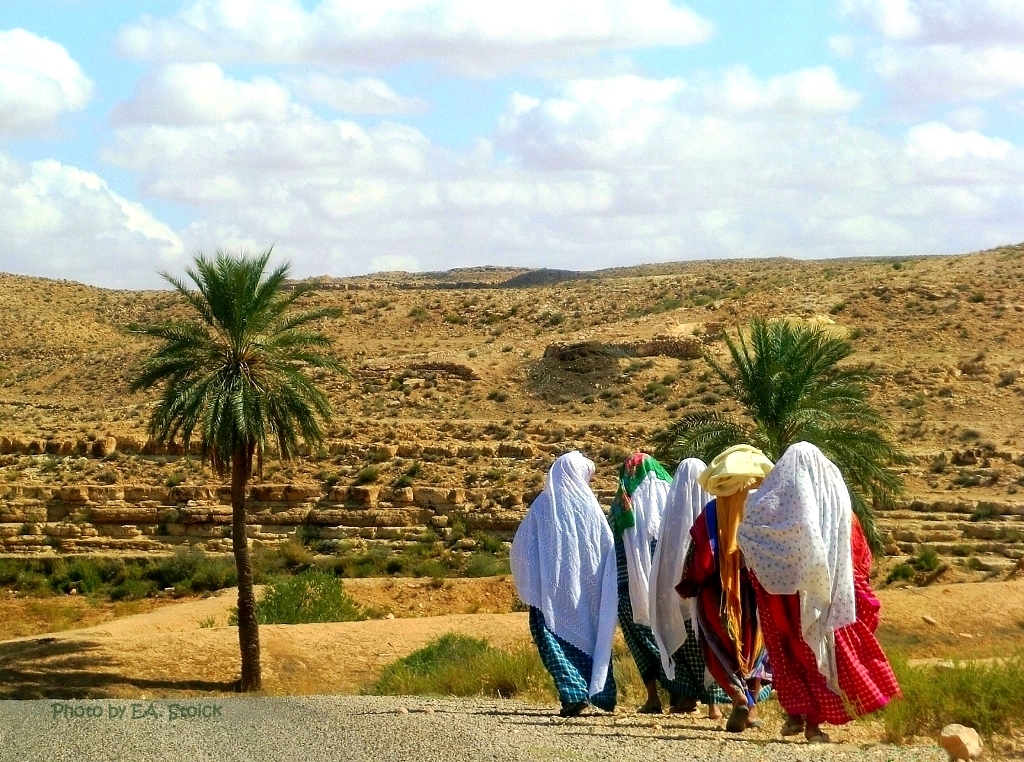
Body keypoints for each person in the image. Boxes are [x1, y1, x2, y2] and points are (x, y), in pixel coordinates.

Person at [739, 442, 901, 743]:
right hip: (822, 597)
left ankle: (796, 714)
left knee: (788, 655)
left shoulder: (766, 506)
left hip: (778, 600)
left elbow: (746, 538)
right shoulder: (835, 508)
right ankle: (812, 726)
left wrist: (775, 573)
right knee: (816, 654)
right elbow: (859, 555)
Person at [511, 450, 618, 717]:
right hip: (587, 595)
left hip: (550, 592)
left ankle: (573, 693)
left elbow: (521, 548)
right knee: (592, 640)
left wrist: (536, 580)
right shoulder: (591, 508)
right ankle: (597, 694)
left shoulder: (543, 505)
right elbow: (606, 549)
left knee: (550, 639)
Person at [675, 444, 774, 733]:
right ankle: (752, 706)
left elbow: (700, 557)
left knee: (717, 647)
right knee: (756, 648)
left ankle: (738, 697)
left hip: (716, 596)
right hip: (758, 592)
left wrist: (690, 583)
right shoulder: (764, 510)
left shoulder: (710, 513)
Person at [609, 452, 707, 714]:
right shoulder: (673, 502)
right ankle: (689, 696)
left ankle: (656, 697)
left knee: (644, 642)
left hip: (628, 588)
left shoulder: (621, 505)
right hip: (669, 587)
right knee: (681, 637)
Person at [648, 458, 729, 719]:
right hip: (706, 589)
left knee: (687, 647)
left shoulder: (672, 514)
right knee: (710, 644)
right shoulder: (713, 512)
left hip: (679, 592)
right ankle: (713, 705)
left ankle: (687, 696)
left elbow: (663, 559)